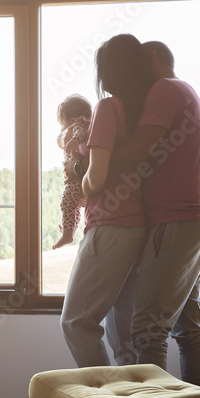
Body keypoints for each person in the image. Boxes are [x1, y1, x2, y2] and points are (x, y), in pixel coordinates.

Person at [106, 39, 200, 388]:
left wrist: (88, 160)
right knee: (189, 329)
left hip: (173, 224)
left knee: (148, 331)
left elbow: (137, 151)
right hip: (193, 221)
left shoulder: (165, 90)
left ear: (150, 59)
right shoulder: (186, 92)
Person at [59, 36, 152, 369]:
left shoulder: (108, 108)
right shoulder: (142, 111)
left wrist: (80, 182)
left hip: (110, 224)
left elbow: (96, 178)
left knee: (75, 323)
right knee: (123, 335)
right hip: (137, 226)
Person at [52, 95, 93, 250]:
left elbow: (80, 129)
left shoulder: (80, 124)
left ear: (71, 120)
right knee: (71, 205)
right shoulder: (81, 126)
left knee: (67, 203)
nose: (62, 129)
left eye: (62, 124)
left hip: (77, 179)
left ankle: (68, 234)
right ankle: (69, 230)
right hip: (78, 178)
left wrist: (75, 138)